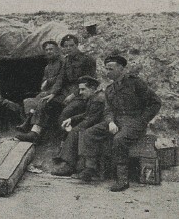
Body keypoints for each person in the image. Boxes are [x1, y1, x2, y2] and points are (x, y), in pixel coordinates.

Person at [100, 55, 161, 191]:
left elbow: (155, 102)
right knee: (91, 132)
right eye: (106, 69)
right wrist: (110, 122)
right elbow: (108, 110)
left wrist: (143, 120)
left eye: (111, 68)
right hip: (117, 122)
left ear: (121, 69)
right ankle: (90, 170)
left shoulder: (135, 83)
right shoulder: (109, 89)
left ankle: (122, 180)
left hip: (135, 122)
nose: (107, 72)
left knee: (119, 139)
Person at [51, 76, 105, 176]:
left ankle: (69, 165)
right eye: (80, 89)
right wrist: (71, 119)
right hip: (95, 124)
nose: (80, 92)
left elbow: (91, 119)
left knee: (75, 131)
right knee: (74, 129)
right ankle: (67, 161)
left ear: (92, 88)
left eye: (83, 89)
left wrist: (75, 128)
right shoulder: (93, 97)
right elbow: (86, 114)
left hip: (101, 126)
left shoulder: (98, 99)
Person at [15, 40, 64, 143]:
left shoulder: (62, 62)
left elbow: (61, 80)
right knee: (28, 101)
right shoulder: (47, 66)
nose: (49, 52)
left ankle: (35, 133)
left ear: (57, 50)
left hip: (61, 92)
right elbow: (44, 81)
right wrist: (44, 87)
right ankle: (28, 124)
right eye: (47, 50)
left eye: (51, 49)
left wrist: (50, 89)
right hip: (50, 91)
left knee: (42, 102)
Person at [57, 34, 97, 129]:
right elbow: (60, 78)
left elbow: (88, 81)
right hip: (67, 92)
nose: (68, 48)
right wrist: (52, 93)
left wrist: (74, 94)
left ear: (77, 45)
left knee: (66, 113)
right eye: (66, 46)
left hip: (82, 94)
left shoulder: (87, 59)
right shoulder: (66, 60)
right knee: (47, 103)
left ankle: (66, 139)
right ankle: (37, 133)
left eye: (71, 45)